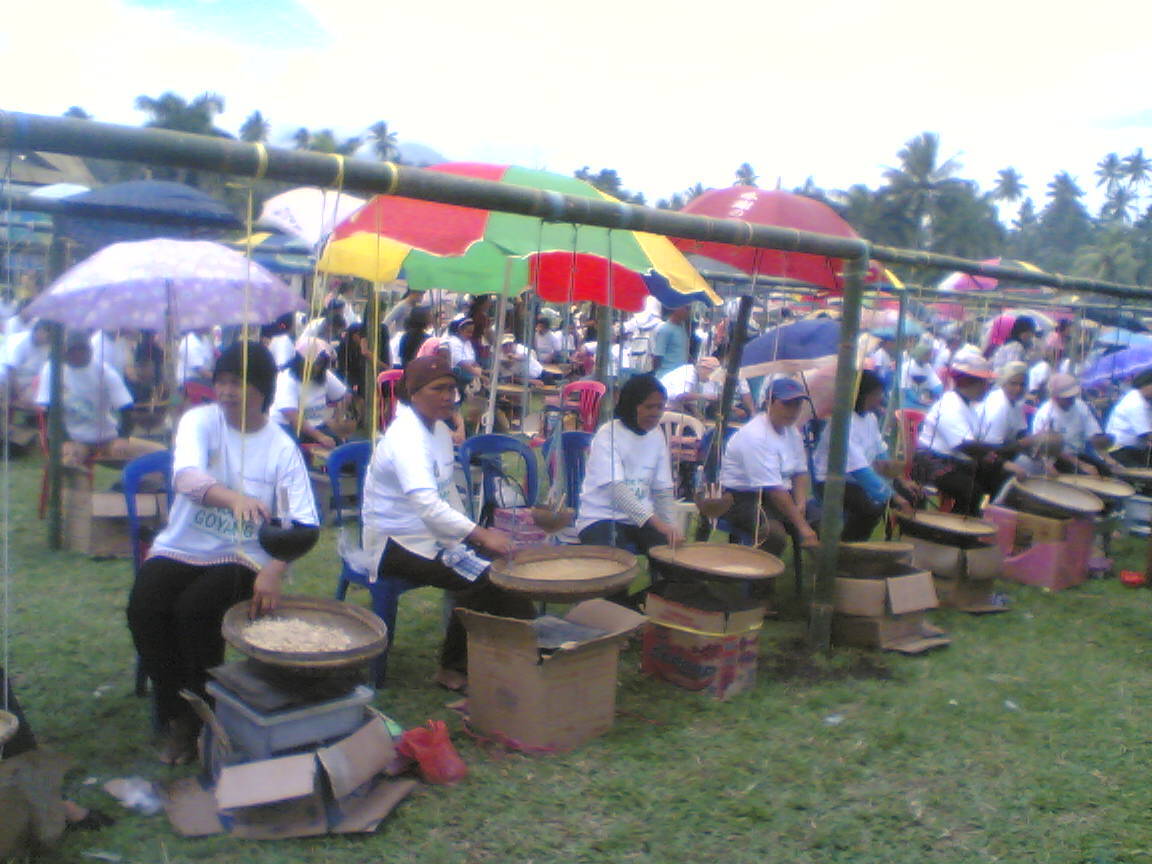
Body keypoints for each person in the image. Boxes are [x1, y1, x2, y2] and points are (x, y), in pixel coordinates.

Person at [127, 342, 319, 764]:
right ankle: (178, 711)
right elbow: (186, 478)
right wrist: (233, 498)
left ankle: (203, 714)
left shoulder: (281, 447)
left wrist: (274, 569)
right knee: (145, 607)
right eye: (223, 381)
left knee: (195, 611)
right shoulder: (200, 421)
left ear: (263, 390)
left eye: (240, 382)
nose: (228, 391)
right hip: (181, 545)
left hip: (244, 555)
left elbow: (304, 524)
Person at [360, 356, 536, 692]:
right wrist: (479, 534)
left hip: (431, 534)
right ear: (413, 393)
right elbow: (428, 505)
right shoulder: (406, 438)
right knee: (483, 577)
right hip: (393, 542)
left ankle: (522, 652)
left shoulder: (439, 431)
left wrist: (471, 536)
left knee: (505, 567)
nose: (447, 396)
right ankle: (452, 668)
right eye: (437, 389)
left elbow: (446, 493)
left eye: (452, 389)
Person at [576, 374, 682, 556]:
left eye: (660, 407)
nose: (655, 413)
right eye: (649, 407)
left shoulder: (657, 435)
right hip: (602, 518)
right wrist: (657, 523)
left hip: (643, 521)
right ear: (632, 406)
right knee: (614, 560)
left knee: (670, 558)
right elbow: (616, 490)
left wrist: (671, 527)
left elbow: (662, 489)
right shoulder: (607, 434)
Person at [719, 377, 819, 556]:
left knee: (823, 519)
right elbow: (774, 490)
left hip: (779, 493)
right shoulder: (755, 436)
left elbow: (800, 471)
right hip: (742, 498)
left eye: (797, 405)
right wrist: (803, 527)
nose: (793, 411)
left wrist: (801, 503)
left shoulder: (792, 431)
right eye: (786, 404)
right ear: (768, 403)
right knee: (773, 535)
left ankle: (824, 569)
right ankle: (760, 573)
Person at [35, 330, 162, 468]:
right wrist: (64, 439)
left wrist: (122, 437)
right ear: (64, 351)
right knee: (70, 459)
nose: (78, 354)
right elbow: (48, 410)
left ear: (90, 350)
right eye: (73, 351)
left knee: (159, 453)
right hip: (73, 438)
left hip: (106, 436)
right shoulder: (52, 369)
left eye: (82, 350)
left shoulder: (104, 371)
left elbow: (126, 407)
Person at [812, 370, 915, 541]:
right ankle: (847, 547)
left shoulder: (870, 418)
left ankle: (909, 542)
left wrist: (900, 480)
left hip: (857, 478)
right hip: (833, 481)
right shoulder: (842, 423)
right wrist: (894, 497)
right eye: (876, 394)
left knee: (912, 494)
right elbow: (861, 471)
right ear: (861, 395)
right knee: (869, 509)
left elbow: (880, 453)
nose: (880, 399)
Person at [914, 355, 1005, 515]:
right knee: (972, 491)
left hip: (953, 461)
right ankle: (954, 527)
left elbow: (977, 442)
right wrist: (1001, 456)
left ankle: (977, 518)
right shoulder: (950, 405)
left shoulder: (967, 405)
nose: (987, 388)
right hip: (932, 464)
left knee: (996, 477)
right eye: (984, 383)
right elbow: (965, 445)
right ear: (968, 382)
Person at [270, 337, 350, 449]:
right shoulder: (286, 378)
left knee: (341, 447)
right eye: (315, 363)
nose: (317, 368)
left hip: (317, 425)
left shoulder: (324, 375)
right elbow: (292, 415)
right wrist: (320, 437)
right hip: (288, 427)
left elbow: (345, 396)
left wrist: (337, 419)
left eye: (321, 363)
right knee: (297, 450)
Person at [1031, 372, 1119, 475]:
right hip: (1055, 460)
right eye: (1067, 398)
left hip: (1079, 455)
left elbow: (1093, 435)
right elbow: (1046, 450)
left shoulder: (1080, 406)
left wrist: (1107, 457)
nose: (1071, 400)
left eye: (1072, 396)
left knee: (1106, 472)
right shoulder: (1045, 414)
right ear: (1055, 397)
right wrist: (1081, 465)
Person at [659, 356, 755, 420]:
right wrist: (706, 397)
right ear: (704, 369)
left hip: (674, 407)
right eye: (711, 373)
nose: (710, 378)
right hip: (666, 408)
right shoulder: (689, 374)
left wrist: (696, 413)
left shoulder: (695, 376)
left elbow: (688, 401)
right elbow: (681, 396)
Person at [1106, 369, 1152, 467]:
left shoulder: (1143, 400)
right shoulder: (1136, 402)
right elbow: (1145, 434)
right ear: (1147, 385)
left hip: (1135, 449)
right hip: (1120, 450)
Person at [2, 319, 51, 407]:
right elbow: (10, 371)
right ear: (39, 331)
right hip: (5, 378)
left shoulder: (46, 347)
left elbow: (39, 373)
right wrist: (20, 395)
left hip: (26, 381)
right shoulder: (20, 342)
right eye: (46, 334)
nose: (47, 339)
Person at [900, 343, 943, 410]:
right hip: (908, 401)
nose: (930, 357)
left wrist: (940, 392)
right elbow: (906, 388)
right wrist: (918, 400)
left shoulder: (927, 367)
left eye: (930, 355)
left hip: (923, 399)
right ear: (920, 355)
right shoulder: (907, 367)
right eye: (927, 355)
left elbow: (935, 382)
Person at [651, 305, 691, 374]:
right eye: (687, 308)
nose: (688, 312)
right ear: (676, 308)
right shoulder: (665, 329)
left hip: (680, 374)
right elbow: (657, 356)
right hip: (666, 375)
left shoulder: (683, 328)